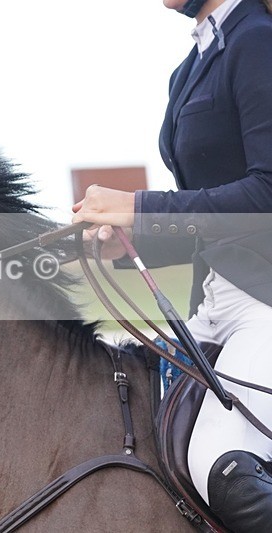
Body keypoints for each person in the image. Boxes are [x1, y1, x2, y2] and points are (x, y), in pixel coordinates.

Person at [71, 0, 272, 530]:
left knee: (220, 469)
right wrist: (130, 241)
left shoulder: (257, 41)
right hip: (214, 302)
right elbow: (218, 225)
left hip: (267, 305)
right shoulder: (190, 67)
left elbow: (267, 195)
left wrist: (139, 208)